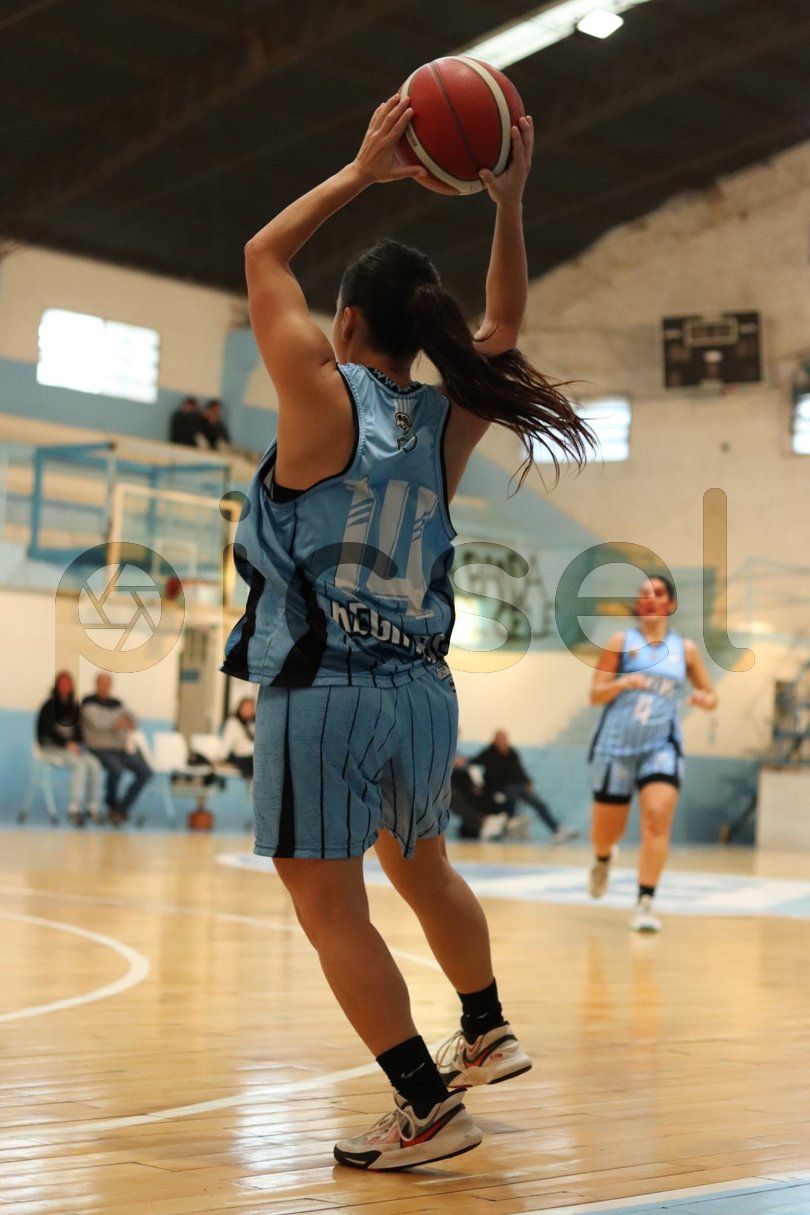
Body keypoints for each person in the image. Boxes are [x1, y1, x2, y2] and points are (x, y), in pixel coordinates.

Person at [222, 95, 592, 1170]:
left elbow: (261, 253)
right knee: (420, 867)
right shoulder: (446, 415)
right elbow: (504, 327)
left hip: (325, 684)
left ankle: (425, 1108)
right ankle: (485, 1025)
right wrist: (508, 201)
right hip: (424, 690)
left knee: (327, 904)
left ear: (345, 323)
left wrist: (362, 170)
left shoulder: (315, 388)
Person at [587, 575, 718, 932]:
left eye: (657, 593)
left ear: (670, 604)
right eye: (644, 593)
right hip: (616, 746)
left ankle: (645, 901)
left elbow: (711, 695)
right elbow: (595, 694)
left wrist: (704, 699)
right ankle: (603, 858)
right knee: (606, 832)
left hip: (661, 746)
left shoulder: (685, 649)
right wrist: (621, 682)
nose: (649, 597)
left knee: (657, 818)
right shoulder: (620, 641)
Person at [469, 730, 578, 843]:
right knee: (510, 803)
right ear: (495, 740)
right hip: (501, 789)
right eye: (500, 739)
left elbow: (520, 770)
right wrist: (477, 784)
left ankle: (556, 829)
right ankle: (505, 827)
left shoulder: (512, 752)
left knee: (539, 804)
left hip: (518, 786)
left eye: (505, 739)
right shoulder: (487, 753)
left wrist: (527, 781)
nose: (503, 742)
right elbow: (472, 763)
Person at [80, 674, 152, 825]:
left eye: (108, 684)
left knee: (145, 771)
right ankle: (111, 803)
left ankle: (120, 809)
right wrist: (117, 722)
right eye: (102, 683)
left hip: (119, 749)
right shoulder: (88, 703)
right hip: (98, 748)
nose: (105, 687)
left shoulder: (117, 703)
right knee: (116, 769)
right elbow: (98, 723)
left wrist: (125, 721)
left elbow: (134, 720)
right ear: (96, 684)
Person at [36, 671, 104, 826]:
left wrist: (78, 745)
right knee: (78, 765)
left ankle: (93, 807)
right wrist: (66, 744)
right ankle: (74, 808)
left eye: (68, 683)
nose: (65, 686)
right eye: (62, 683)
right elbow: (46, 732)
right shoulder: (49, 706)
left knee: (94, 764)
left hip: (72, 749)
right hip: (51, 747)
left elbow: (78, 733)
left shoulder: (74, 707)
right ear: (57, 685)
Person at [450, 754, 508, 841]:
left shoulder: (468, 772)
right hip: (467, 809)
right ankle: (486, 822)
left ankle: (491, 821)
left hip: (476, 806)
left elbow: (479, 789)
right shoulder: (452, 779)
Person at [220, 696, 255, 779]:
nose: (249, 710)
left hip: (253, 756)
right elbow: (226, 743)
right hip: (242, 758)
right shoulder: (233, 723)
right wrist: (221, 759)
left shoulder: (251, 724)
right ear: (240, 708)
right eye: (246, 708)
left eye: (251, 708)